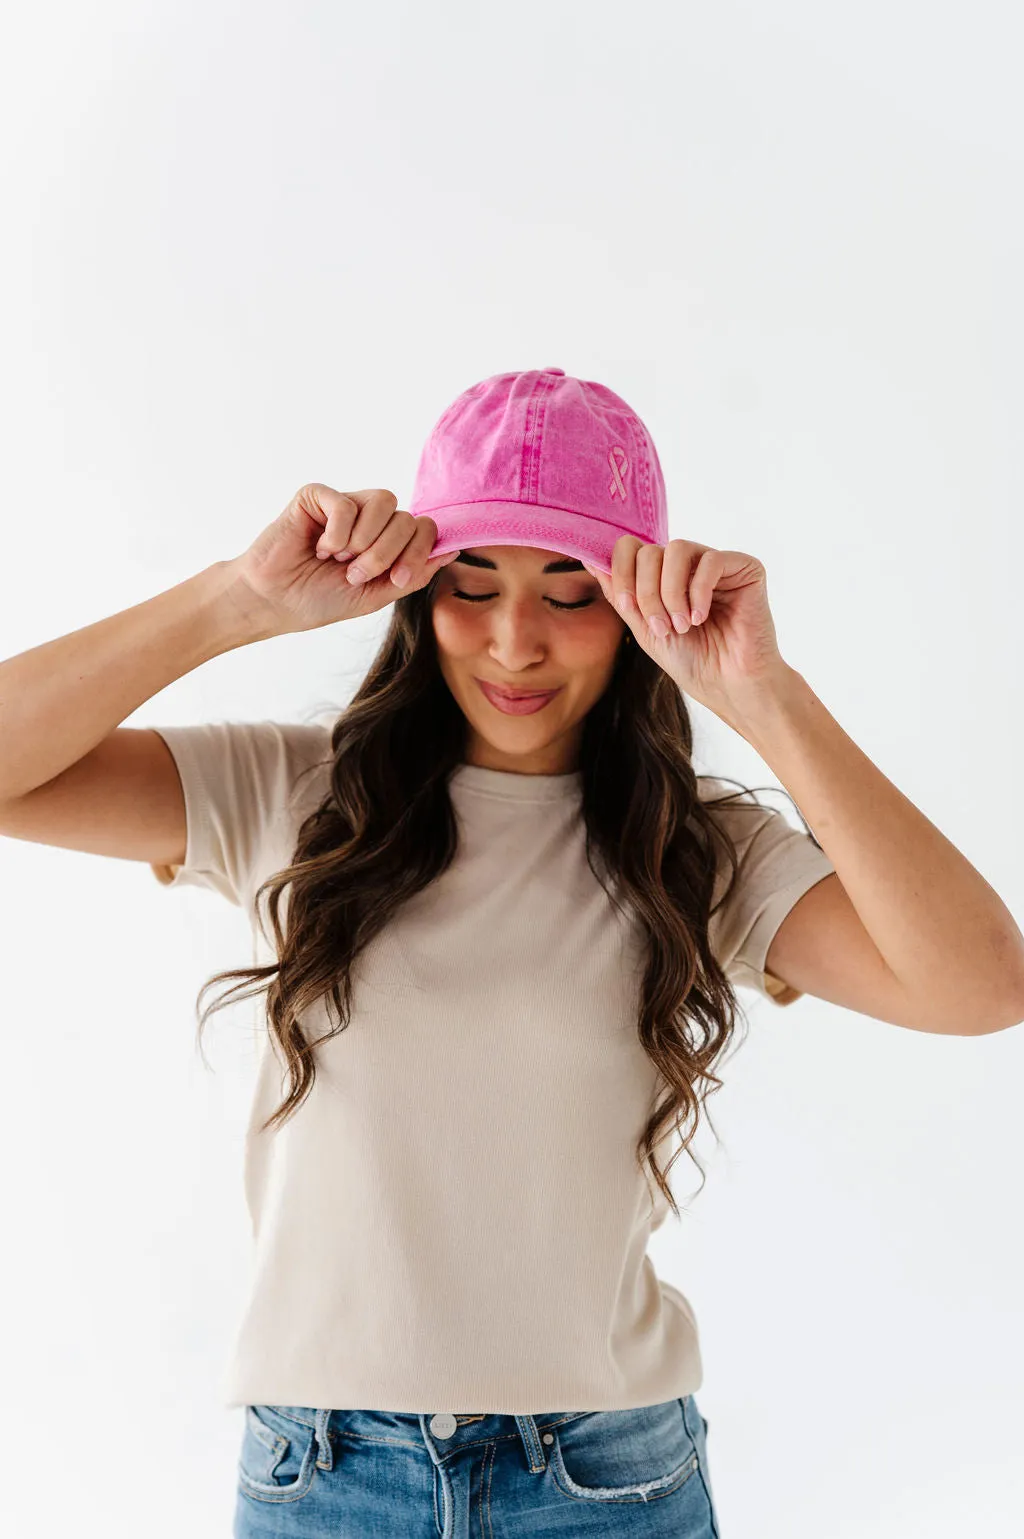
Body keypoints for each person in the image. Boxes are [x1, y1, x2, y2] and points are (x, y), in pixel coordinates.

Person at [2, 368, 1021, 1539]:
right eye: (469, 587)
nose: (513, 642)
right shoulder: (291, 794)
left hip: (606, 1480)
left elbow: (983, 986)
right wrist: (235, 601)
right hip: (324, 1477)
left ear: (638, 611)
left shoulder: (696, 850)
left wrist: (767, 695)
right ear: (415, 596)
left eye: (571, 594)